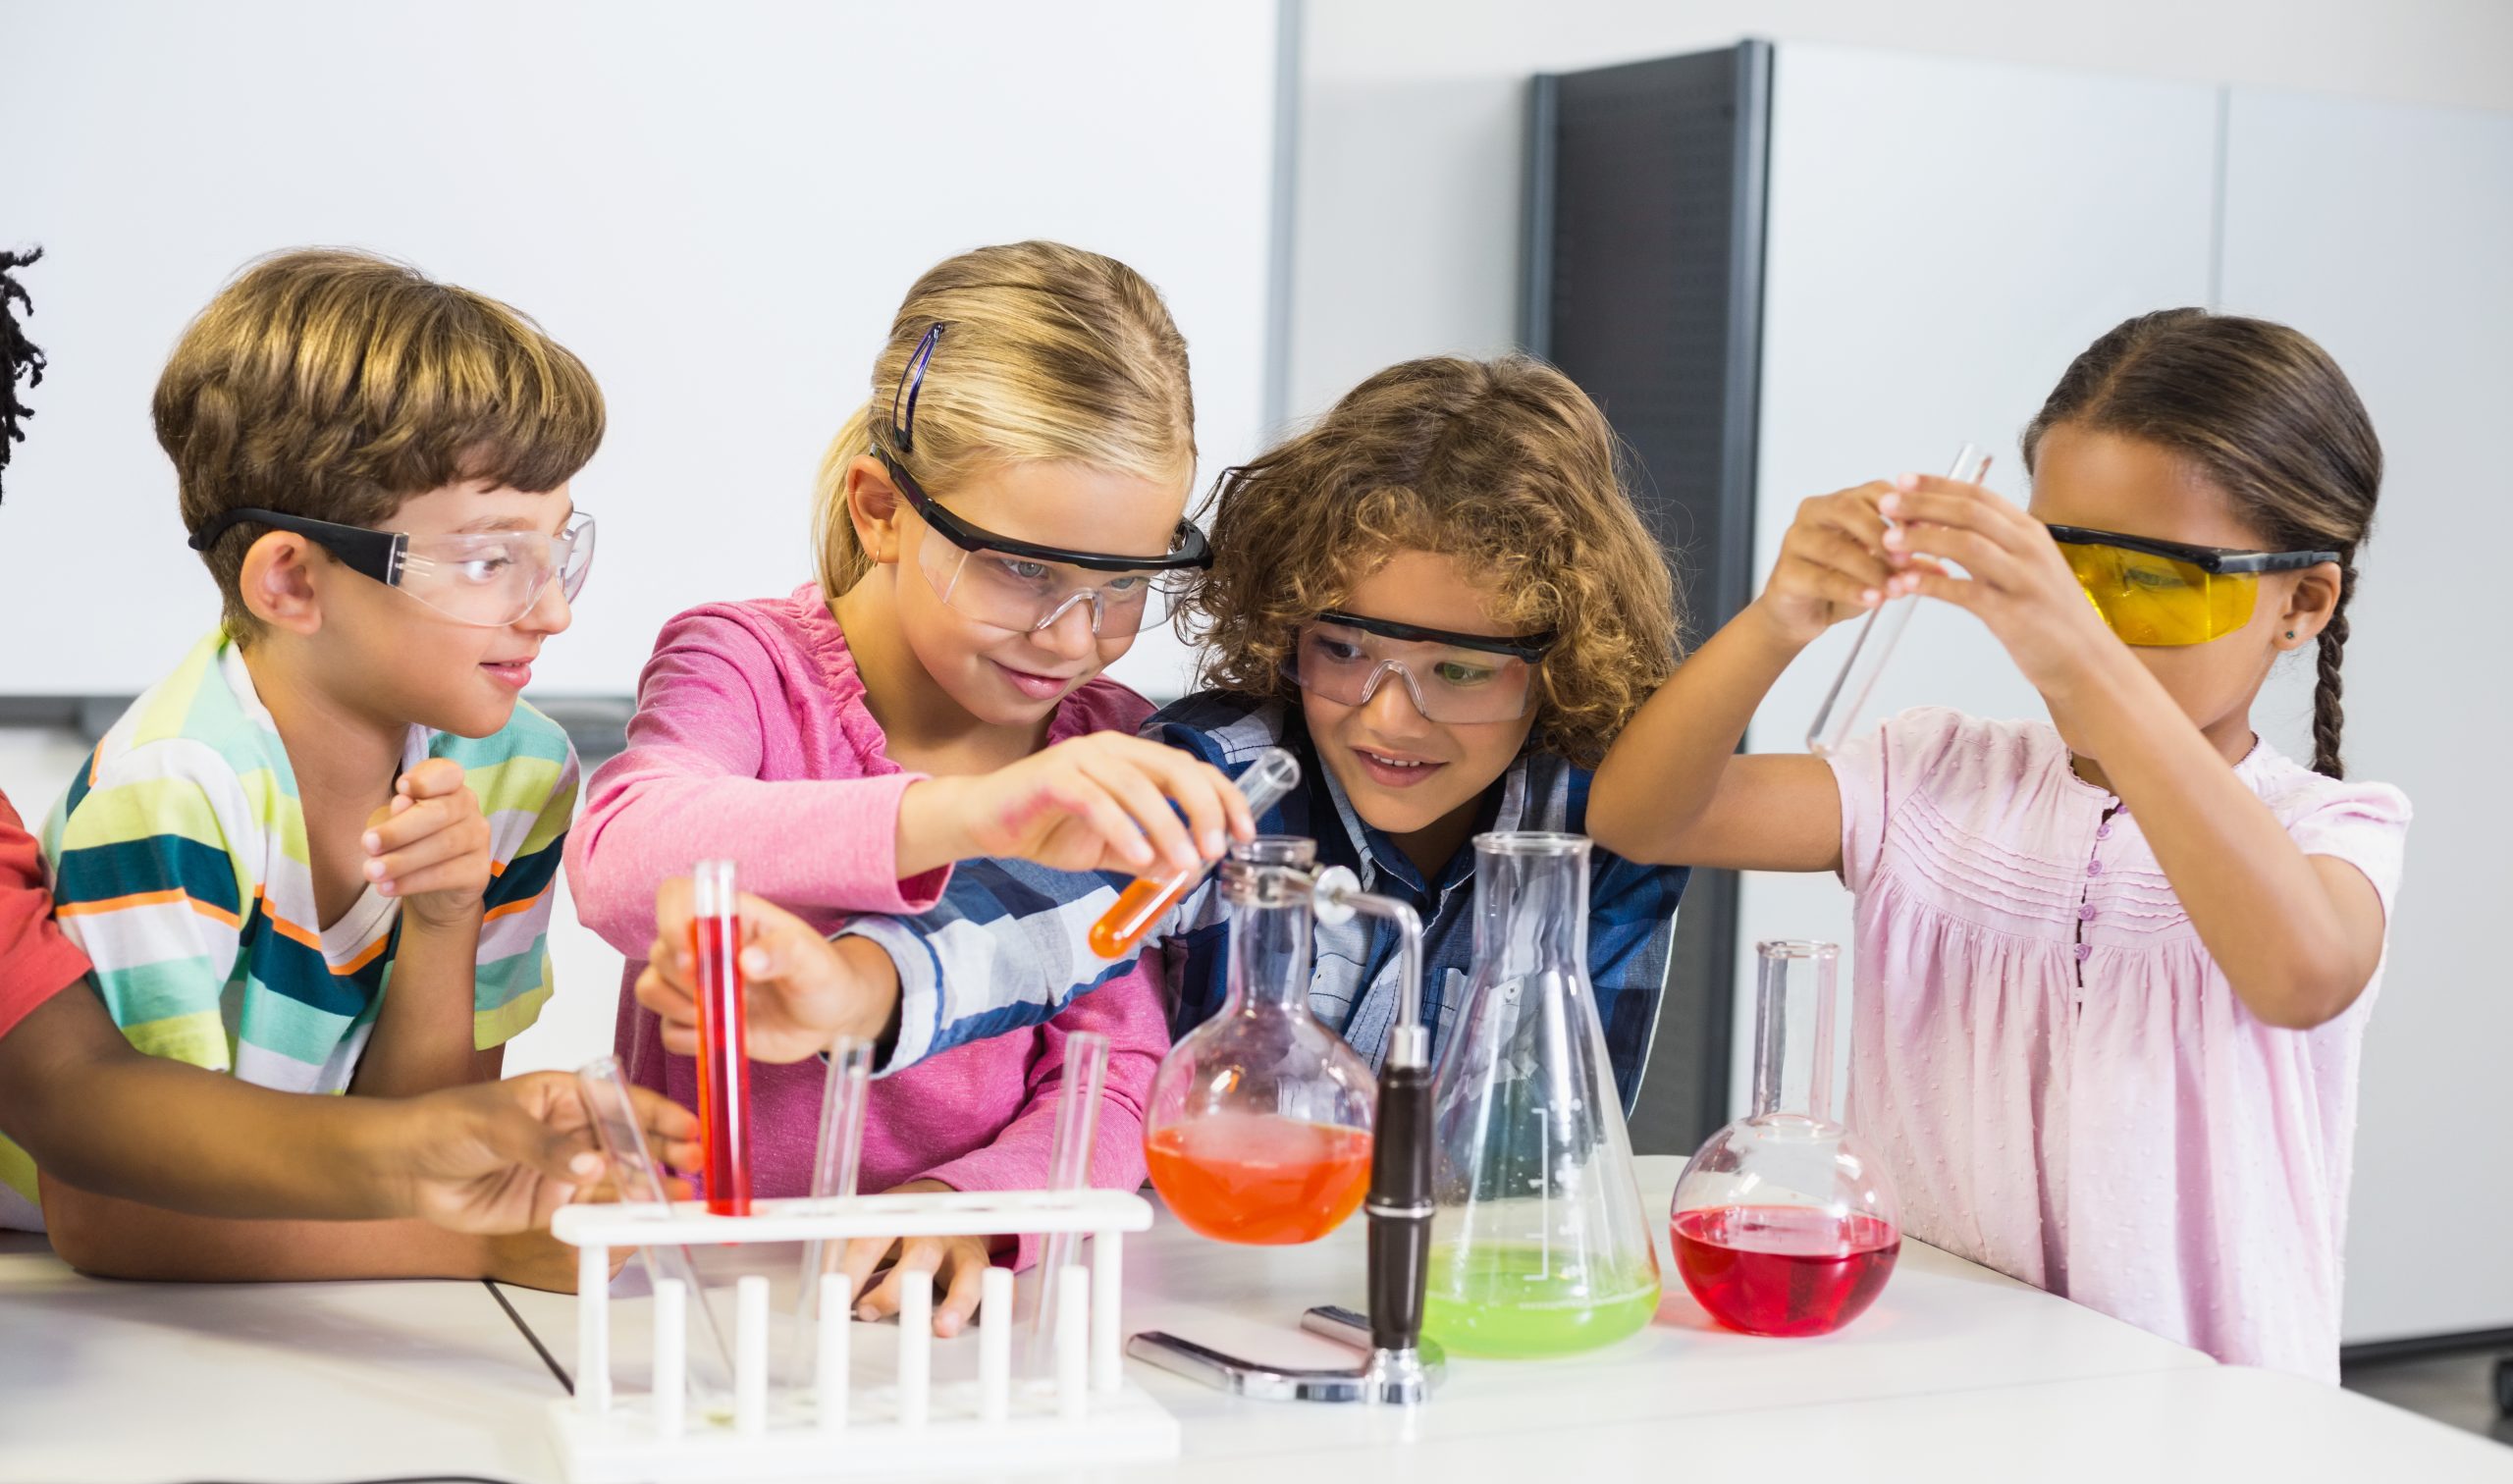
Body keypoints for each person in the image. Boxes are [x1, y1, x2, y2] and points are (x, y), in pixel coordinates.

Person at [1585, 309, 2406, 1380]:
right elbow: (1640, 817)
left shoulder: (2327, 827)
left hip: (2205, 1439)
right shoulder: (1933, 775)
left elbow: (2301, 973)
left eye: (2151, 581)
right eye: (2062, 567)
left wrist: (2076, 657)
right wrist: (1780, 616)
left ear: (2300, 603)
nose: (2090, 621)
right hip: (1939, 1397)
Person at [637, 354, 1690, 1126]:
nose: (1386, 716)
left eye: (1456, 669)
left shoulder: (1604, 822)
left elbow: (1550, 1148)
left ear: (1557, 661)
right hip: (1209, 1296)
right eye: (1340, 648)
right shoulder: (1226, 773)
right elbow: (1035, 920)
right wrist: (855, 992)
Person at [564, 242, 1248, 1336]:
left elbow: (1116, 1066)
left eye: (1124, 585)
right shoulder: (744, 666)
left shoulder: (1106, 738)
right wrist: (974, 812)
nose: (1076, 636)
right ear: (881, 509)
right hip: (701, 1318)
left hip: (950, 1320)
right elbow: (618, 865)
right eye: (1023, 568)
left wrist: (977, 1205)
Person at [25, 249, 600, 1288]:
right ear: (291, 579)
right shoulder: (173, 793)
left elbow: (423, 1151)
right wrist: (490, 1244)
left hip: (301, 1268)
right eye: (487, 560)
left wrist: (444, 917)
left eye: (559, 550)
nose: (552, 609)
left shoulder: (517, 769)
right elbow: (112, 1217)